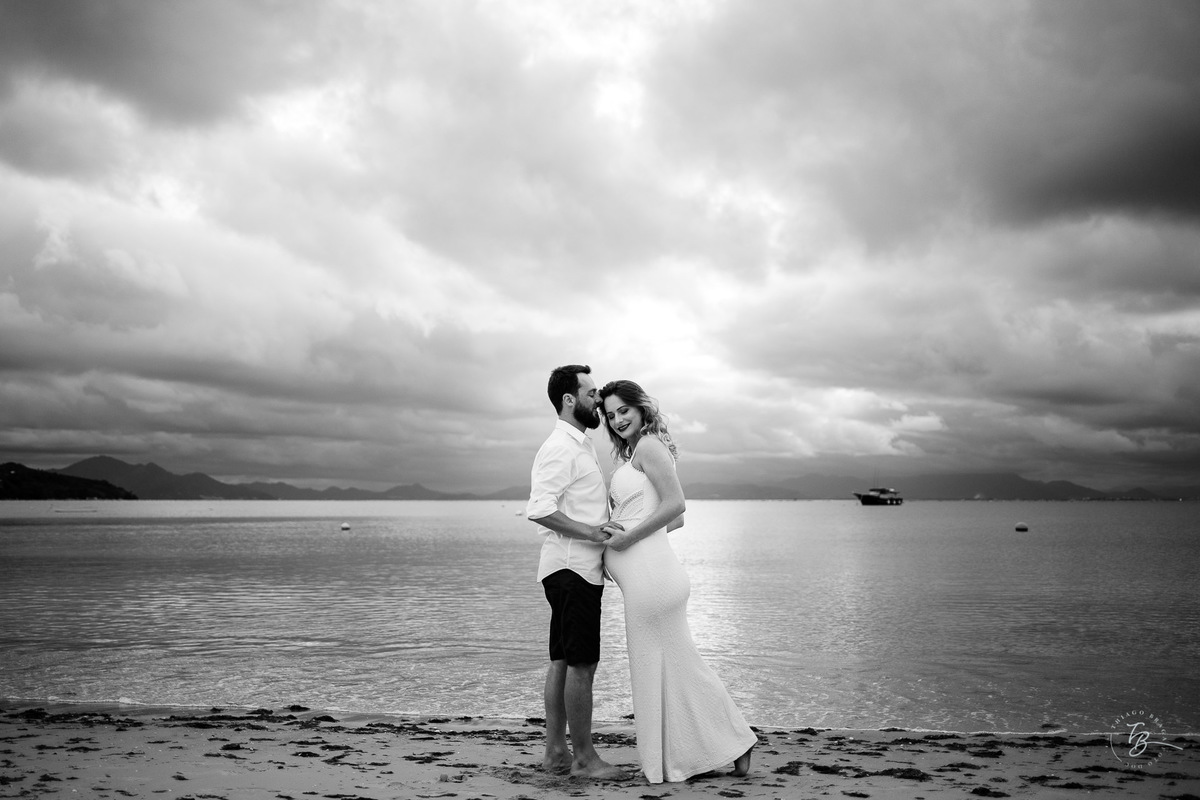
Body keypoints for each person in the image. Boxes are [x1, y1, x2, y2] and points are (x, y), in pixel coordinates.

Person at [598, 379, 757, 784]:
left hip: (653, 581)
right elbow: (675, 520)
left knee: (664, 668)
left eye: (623, 410)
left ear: (641, 408)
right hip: (650, 577)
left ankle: (732, 741)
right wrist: (631, 534)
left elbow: (678, 504)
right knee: (674, 668)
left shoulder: (649, 446)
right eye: (611, 415)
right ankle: (716, 746)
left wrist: (629, 539)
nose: (617, 420)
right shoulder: (638, 451)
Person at [526, 364, 625, 780]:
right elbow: (539, 508)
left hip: (569, 569)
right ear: (569, 400)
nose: (598, 400)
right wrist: (590, 532)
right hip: (573, 570)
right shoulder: (561, 447)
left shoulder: (579, 443)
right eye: (591, 393)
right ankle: (584, 758)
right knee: (582, 665)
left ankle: (556, 754)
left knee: (563, 661)